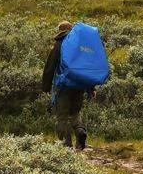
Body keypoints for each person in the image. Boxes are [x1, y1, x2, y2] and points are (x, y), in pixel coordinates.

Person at [44, 20, 109, 151]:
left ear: (60, 31)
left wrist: (45, 87)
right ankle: (80, 132)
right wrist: (91, 88)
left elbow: (50, 66)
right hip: (80, 85)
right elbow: (85, 68)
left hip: (63, 86)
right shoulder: (79, 45)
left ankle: (66, 145)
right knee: (75, 113)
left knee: (62, 115)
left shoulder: (60, 43)